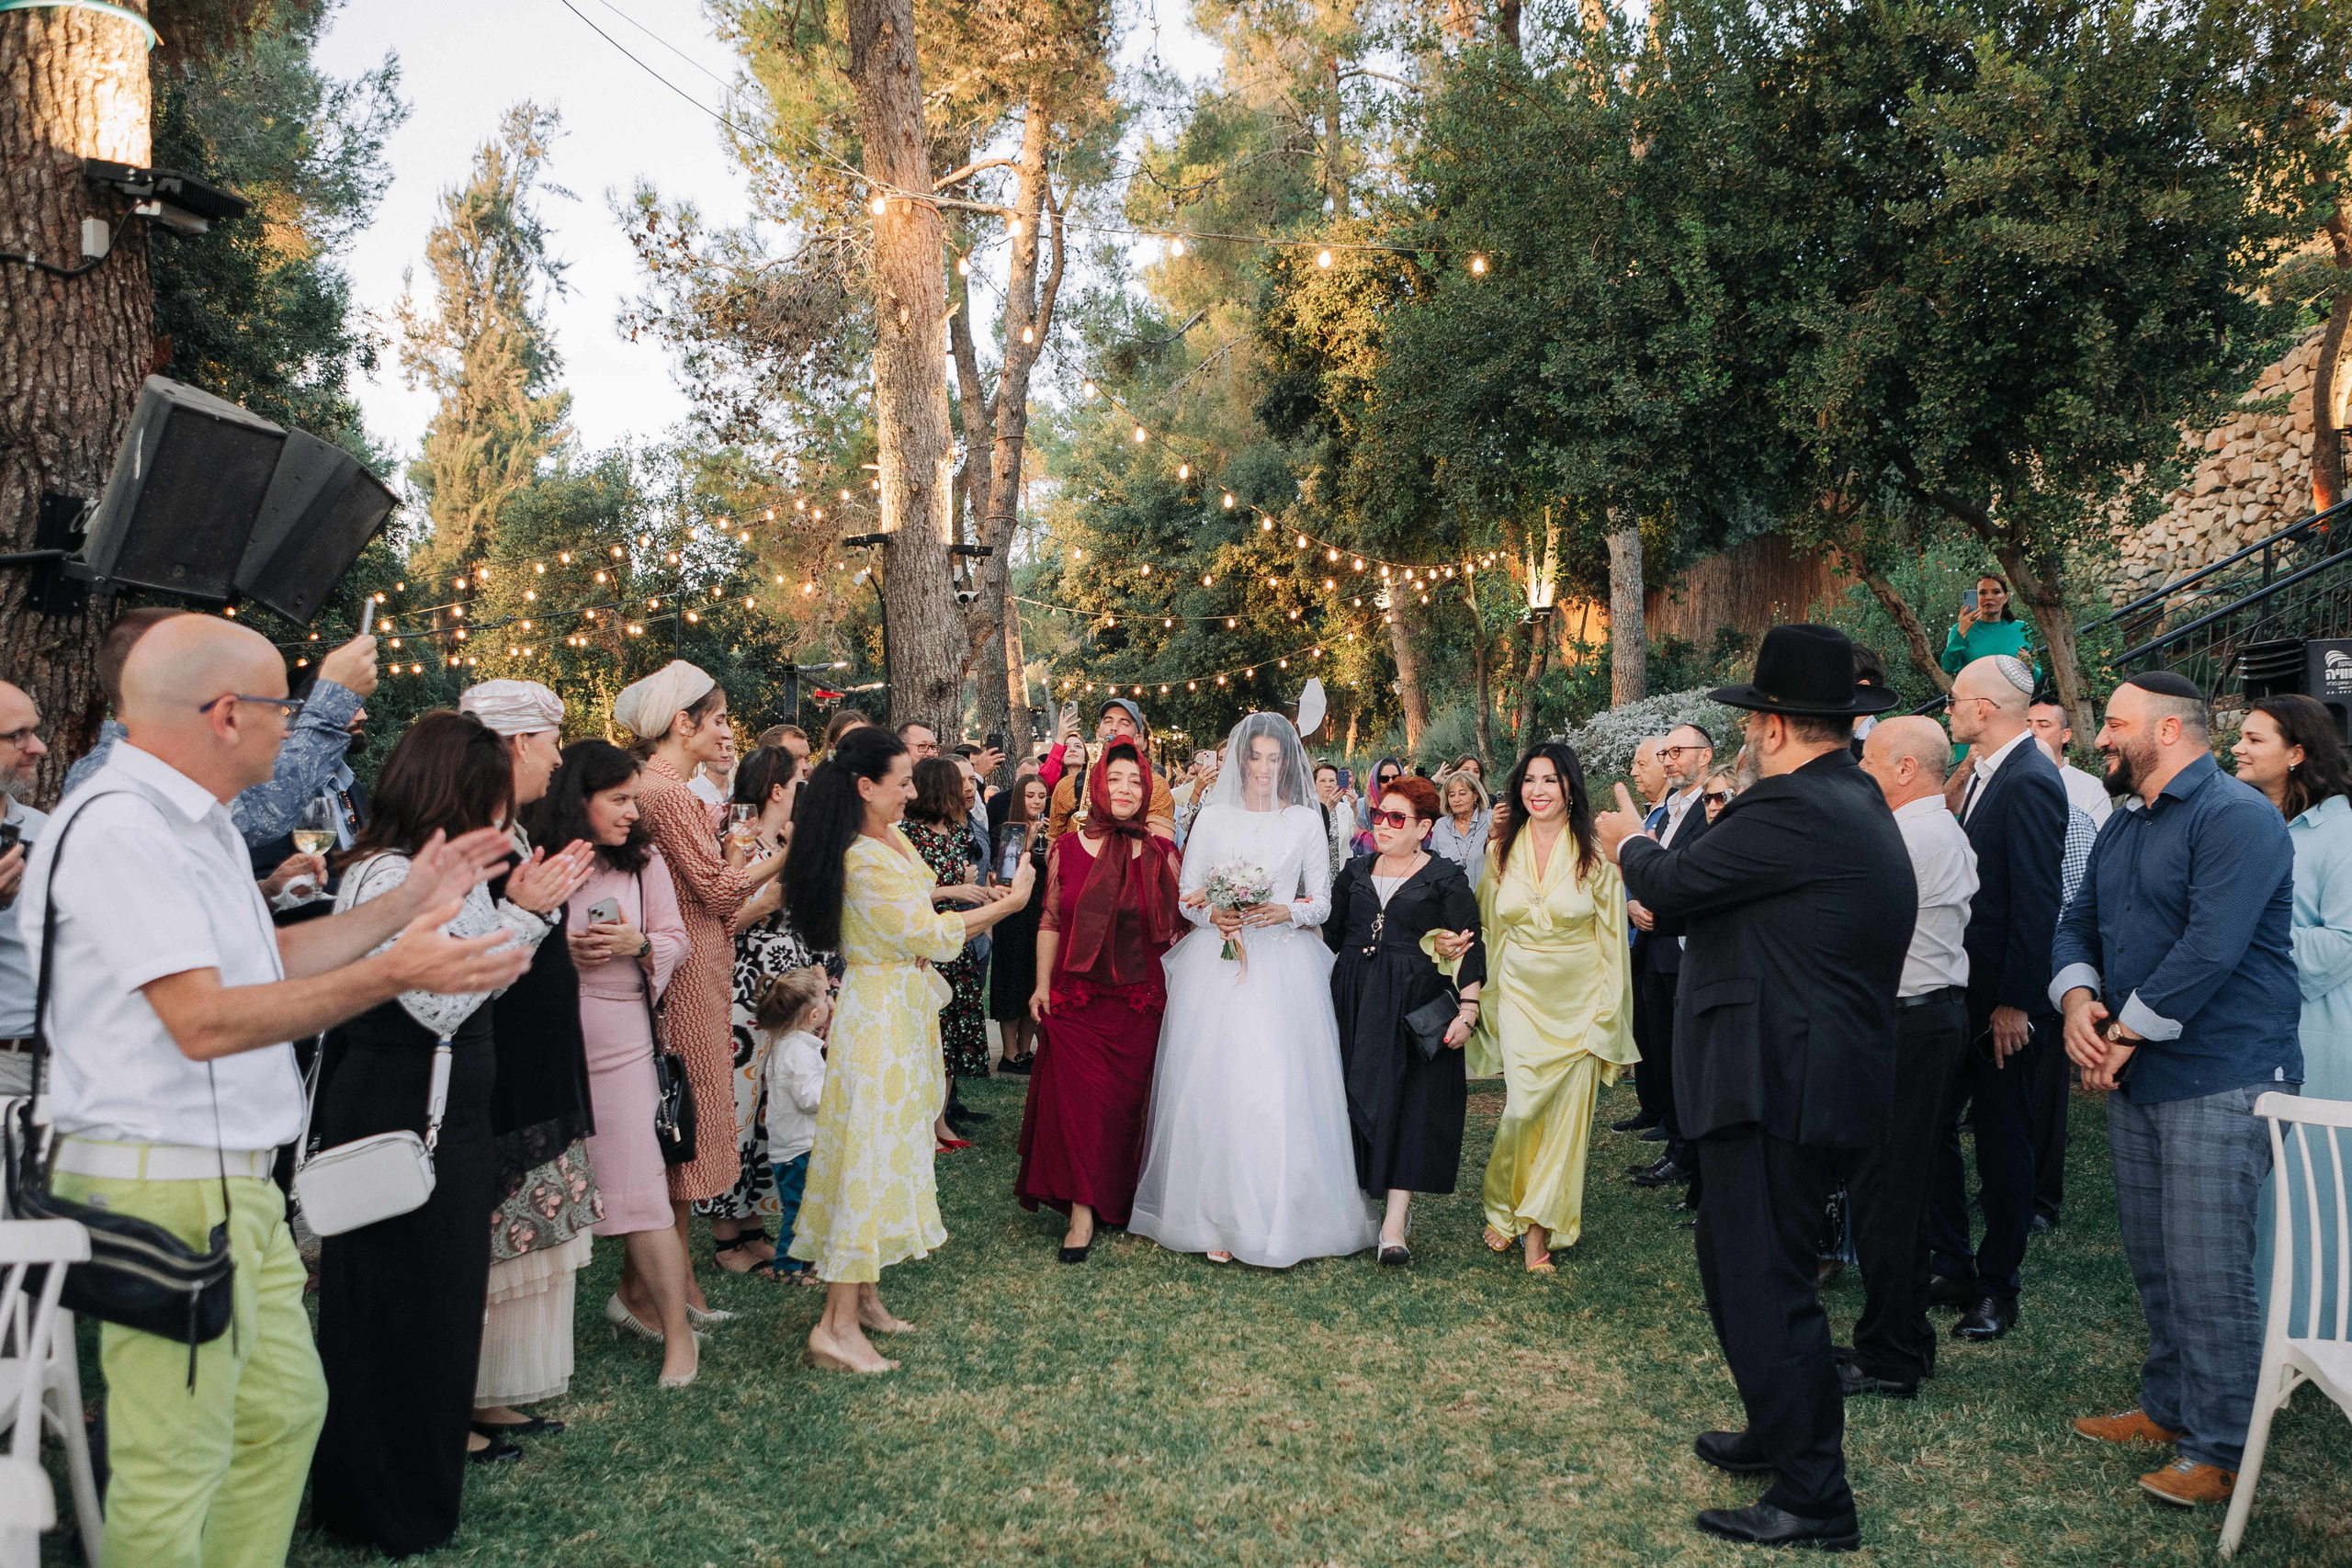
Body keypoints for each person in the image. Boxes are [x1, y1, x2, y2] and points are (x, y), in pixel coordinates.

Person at [26, 615, 528, 1568]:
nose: (295, 727)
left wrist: (403, 903)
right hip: (161, 1178)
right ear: (226, 714)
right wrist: (392, 973)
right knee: (175, 1460)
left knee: (282, 1413)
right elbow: (204, 1020)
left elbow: (270, 958)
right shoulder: (123, 828)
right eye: (283, 709)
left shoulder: (199, 824)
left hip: (230, 1178)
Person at [1596, 622, 1910, 1551]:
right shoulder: (1841, 797)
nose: (1746, 736)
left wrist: (1625, 841)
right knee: (1740, 1269)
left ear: (1774, 725)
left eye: (1750, 721)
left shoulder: (1797, 806)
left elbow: (1674, 880)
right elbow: (1734, 901)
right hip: (1789, 1074)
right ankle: (1779, 1430)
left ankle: (1816, 1496)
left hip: (1780, 1082)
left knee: (1765, 1283)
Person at [309, 710, 590, 1553]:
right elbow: (435, 1003)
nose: (504, 811)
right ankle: (377, 1502)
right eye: (491, 792)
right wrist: (526, 916)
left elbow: (476, 985)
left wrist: (514, 910)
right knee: (395, 1304)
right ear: (454, 790)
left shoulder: (454, 876)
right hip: (397, 1106)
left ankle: (421, 1484)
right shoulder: (385, 875)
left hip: (452, 1111)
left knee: (444, 1304)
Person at [2053, 671, 2301, 1509]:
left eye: (2114, 723)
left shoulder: (2238, 817)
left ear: (2167, 731)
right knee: (2156, 1256)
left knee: (2208, 1268)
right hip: (2146, 1072)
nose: (2099, 737)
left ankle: (2222, 1447)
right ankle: (2167, 1407)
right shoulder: (2126, 821)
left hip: (2226, 1073)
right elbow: (2076, 922)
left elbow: (2210, 948)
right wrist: (2079, 1003)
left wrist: (2118, 1038)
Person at [780, 725, 1036, 1371]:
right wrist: (1011, 906)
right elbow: (929, 932)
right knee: (866, 1159)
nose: (912, 792)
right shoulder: (861, 858)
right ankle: (834, 1327)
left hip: (903, 1009)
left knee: (889, 1146)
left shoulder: (886, 837)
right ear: (866, 787)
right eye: (902, 782)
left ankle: (864, 1299)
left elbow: (919, 907)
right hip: (877, 1020)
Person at [1130, 713, 1376, 1268]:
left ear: (1287, 762)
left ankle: (1285, 1211)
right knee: (1219, 1085)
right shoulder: (1214, 818)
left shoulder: (1305, 821)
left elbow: (1322, 903)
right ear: (1241, 761)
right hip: (1219, 966)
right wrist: (1215, 914)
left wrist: (1286, 911)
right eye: (1256, 757)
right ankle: (1215, 1214)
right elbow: (1187, 895)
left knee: (1278, 1085)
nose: (1265, 768)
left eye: (1274, 758)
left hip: (1285, 964)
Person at [456, 680, 603, 1448]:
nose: (557, 758)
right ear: (517, 743)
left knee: (528, 1231)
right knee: (493, 1229)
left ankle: (493, 1390)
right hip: (500, 1049)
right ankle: (462, 1392)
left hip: (538, 1041)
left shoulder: (511, 829)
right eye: (550, 742)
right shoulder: (469, 839)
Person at [613, 660, 787, 1291]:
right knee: (682, 1131)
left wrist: (733, 853)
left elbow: (710, 890)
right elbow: (716, 893)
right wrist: (784, 856)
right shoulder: (667, 793)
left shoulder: (669, 790)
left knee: (686, 1134)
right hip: (685, 976)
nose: (727, 731)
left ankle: (672, 1287)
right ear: (683, 724)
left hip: (700, 966)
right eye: (718, 718)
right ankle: (660, 1290)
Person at [535, 740, 699, 1387]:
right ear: (579, 799)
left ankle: (678, 1337)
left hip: (623, 1035)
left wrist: (639, 943)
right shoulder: (537, 857)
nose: (634, 811)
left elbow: (677, 940)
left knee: (641, 1188)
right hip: (549, 1034)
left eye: (635, 798)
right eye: (619, 798)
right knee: (543, 1187)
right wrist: (559, 954)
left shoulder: (644, 862)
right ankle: (535, 1346)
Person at [1442, 743, 1636, 1272]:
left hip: (1581, 1004)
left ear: (1570, 787)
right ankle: (1505, 1204)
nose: (1538, 790)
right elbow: (1485, 927)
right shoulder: (1500, 852)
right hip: (1520, 1000)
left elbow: (1613, 942)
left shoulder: (1597, 854)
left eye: (1550, 779)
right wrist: (1453, 954)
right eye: (1530, 780)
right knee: (1521, 1112)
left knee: (1565, 1125)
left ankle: (1536, 1231)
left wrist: (1609, 1019)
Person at [1925, 655, 2068, 1345]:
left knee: (2004, 1143)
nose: (1948, 709)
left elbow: (2039, 901)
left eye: (1954, 699)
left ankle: (1997, 1288)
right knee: (1932, 1125)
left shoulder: (2032, 778)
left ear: (1984, 708)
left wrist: (2016, 1003)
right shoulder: (1984, 772)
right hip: (1964, 990)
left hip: (2003, 1004)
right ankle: (1951, 1263)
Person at [1845, 717, 1978, 1399]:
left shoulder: (1914, 836)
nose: (1859, 770)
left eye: (1868, 761)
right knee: (1898, 1188)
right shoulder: (1930, 828)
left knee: (1887, 1193)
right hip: (1926, 1019)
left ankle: (1891, 1356)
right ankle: (1902, 1338)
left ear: (1905, 768)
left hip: (1910, 1022)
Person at [1016, 739, 1182, 1259]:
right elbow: (1050, 920)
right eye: (1114, 779)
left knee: (1124, 1109)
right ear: (1097, 786)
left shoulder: (1162, 854)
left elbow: (1181, 925)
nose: (1125, 789)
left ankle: (1123, 1195)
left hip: (1139, 1003)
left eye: (1135, 780)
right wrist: (1041, 985)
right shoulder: (1065, 849)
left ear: (1147, 789)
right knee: (1081, 1105)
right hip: (1077, 999)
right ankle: (1082, 1213)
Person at [2232, 694, 2352, 1337]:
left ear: (2298, 752)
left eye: (2255, 738)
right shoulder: (2250, 818)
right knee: (2255, 1189)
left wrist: (2245, 933)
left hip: (2319, 1034)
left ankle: (2309, 1331)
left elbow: (2340, 946)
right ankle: (2249, 1326)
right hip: (2248, 1035)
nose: (2237, 747)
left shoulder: (2341, 833)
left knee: (2307, 1188)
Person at [1329, 775, 1485, 1266]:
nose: (1383, 825)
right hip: (1353, 1000)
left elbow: (1470, 943)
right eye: (1379, 815)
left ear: (1423, 828)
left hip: (1412, 1005)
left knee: (1409, 1105)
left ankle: (1394, 1223)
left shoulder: (1445, 877)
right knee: (1348, 1098)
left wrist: (1469, 1009)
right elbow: (1330, 935)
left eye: (1397, 818)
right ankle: (1351, 1207)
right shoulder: (1354, 872)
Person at [63, 607, 380, 848]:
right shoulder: (115, 790)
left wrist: (266, 892)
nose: (284, 728)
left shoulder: (166, 776)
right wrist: (333, 701)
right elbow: (264, 811)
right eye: (272, 706)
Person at [708, 744, 831, 1276]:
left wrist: (818, 977)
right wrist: (764, 903)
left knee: (770, 1111)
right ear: (777, 788)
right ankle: (725, 1238)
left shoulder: (787, 841)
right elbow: (716, 921)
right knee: (737, 1111)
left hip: (789, 991)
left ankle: (756, 1227)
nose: (806, 784)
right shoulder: (734, 839)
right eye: (799, 777)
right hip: (744, 992)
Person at [1630, 722, 1717, 1191]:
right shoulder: (1666, 813)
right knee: (1663, 1047)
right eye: (1663, 754)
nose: (1668, 761)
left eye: (1676, 751)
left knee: (1688, 1056)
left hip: (1687, 947)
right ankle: (1676, 1146)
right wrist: (1633, 904)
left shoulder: (1714, 807)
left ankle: (1688, 1154)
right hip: (1654, 945)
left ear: (1705, 755)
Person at [903, 757, 995, 1111]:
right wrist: (950, 890)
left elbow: (966, 881)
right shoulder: (908, 835)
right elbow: (902, 896)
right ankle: (928, 1118)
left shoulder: (955, 831)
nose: (965, 790)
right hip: (926, 943)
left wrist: (988, 892)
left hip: (957, 943)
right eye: (957, 784)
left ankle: (943, 1117)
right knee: (932, 1034)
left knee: (953, 1037)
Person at [755, 965, 831, 1281]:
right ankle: (787, 1267)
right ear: (813, 1016)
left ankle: (805, 1260)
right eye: (825, 997)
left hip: (797, 1144)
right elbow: (808, 1098)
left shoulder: (790, 1043)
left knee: (807, 1206)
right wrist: (836, 1085)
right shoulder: (798, 1051)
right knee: (799, 1209)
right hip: (798, 1147)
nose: (829, 1002)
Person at [1615, 736, 1672, 1137]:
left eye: (1641, 763)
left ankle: (1670, 1114)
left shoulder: (1674, 814)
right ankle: (1649, 1106)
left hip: (1662, 934)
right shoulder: (1646, 815)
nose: (1634, 772)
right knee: (1642, 1026)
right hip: (1634, 937)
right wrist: (1628, 904)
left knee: (1663, 1029)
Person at [0, 680, 49, 1095]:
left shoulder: (44, 828)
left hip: (69, 1061)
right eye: (18, 735)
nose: (39, 748)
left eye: (34, 731)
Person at [1046, 698, 1176, 840]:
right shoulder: (1066, 786)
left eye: (1124, 723)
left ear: (1138, 738)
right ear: (1098, 734)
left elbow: (1162, 846)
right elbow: (1052, 848)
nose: (1114, 728)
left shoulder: (1156, 786)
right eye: (1108, 721)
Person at [990, 773, 1051, 1075]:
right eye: (1030, 796)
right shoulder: (1009, 829)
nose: (1036, 802)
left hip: (1039, 913)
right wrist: (1027, 840)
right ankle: (1009, 1053)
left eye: (1041, 796)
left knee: (1031, 981)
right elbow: (1005, 874)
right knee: (1011, 983)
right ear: (1019, 798)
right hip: (1012, 917)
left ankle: (1025, 1050)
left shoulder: (1048, 830)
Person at [2029, 698, 2113, 826]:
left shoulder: (2091, 788)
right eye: (2026, 725)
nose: (2031, 732)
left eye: (2043, 726)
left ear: (2065, 735)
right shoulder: (2004, 776)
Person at [1940, 571, 2034, 677]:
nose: (1989, 597)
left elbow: (2038, 676)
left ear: (2006, 597)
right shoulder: (1959, 630)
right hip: (1974, 688)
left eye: (1996, 592)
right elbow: (1948, 667)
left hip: (2012, 688)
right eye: (1982, 593)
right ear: (1976, 597)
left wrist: (2031, 667)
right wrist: (1961, 632)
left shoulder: (2021, 628)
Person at [1430, 769, 1493, 889]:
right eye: (1451, 795)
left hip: (1485, 896)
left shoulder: (1490, 820)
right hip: (1450, 897)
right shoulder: (1441, 825)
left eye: (1462, 794)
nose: (1456, 799)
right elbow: (1434, 865)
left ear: (1475, 796)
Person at [1313, 761, 1354, 882]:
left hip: (1341, 874)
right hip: (1317, 874)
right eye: (1322, 781)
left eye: (1332, 781)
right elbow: (1312, 837)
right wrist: (1328, 808)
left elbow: (1355, 839)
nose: (1328, 785)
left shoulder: (1345, 809)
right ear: (1314, 784)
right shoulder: (1308, 809)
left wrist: (1355, 807)